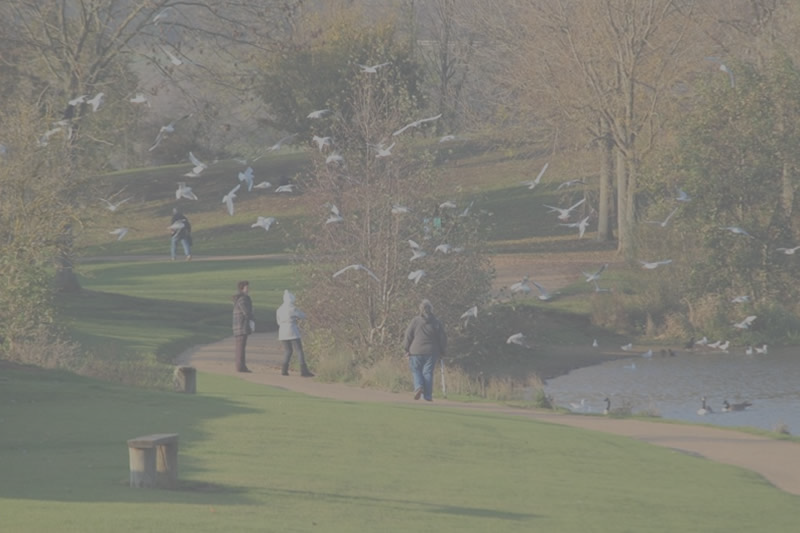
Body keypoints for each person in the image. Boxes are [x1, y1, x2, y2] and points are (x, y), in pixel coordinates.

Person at [403, 299, 447, 401]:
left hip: (416, 351)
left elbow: (408, 335)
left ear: (421, 309)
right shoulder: (437, 322)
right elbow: (443, 338)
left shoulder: (415, 321)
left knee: (416, 370)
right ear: (431, 309)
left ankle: (418, 387)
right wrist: (443, 351)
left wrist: (406, 349)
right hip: (431, 352)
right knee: (428, 372)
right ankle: (427, 396)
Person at [276, 289, 313, 377]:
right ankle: (303, 370)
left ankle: (284, 370)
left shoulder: (279, 309)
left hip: (282, 332)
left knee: (288, 350)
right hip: (292, 330)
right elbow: (302, 316)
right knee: (299, 350)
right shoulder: (292, 308)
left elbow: (278, 321)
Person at [232, 280, 255, 372]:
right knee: (240, 348)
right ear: (242, 288)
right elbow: (246, 312)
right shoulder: (243, 299)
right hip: (241, 326)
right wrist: (252, 319)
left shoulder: (241, 298)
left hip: (240, 326)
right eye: (247, 287)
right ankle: (240, 367)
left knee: (240, 347)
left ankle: (242, 366)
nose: (248, 289)